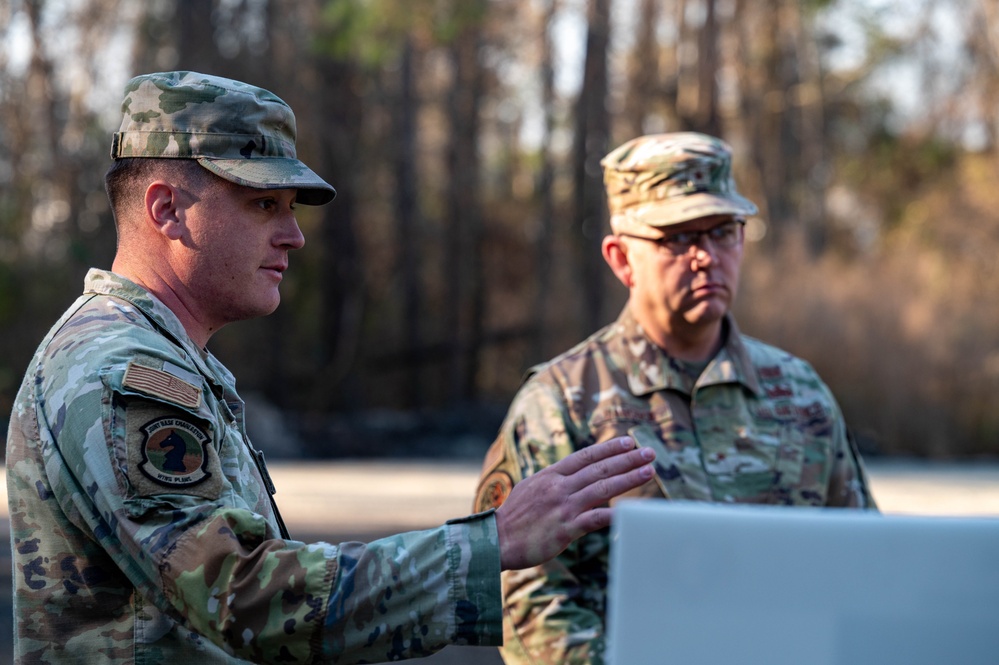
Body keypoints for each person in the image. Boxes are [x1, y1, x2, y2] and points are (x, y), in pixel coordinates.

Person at [5, 71, 658, 664]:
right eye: (264, 204)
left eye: (291, 207)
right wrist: (488, 543)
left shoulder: (162, 356)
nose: (295, 235)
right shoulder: (119, 374)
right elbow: (246, 599)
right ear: (166, 209)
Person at [474, 132, 878, 665]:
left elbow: (864, 561)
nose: (707, 258)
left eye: (724, 232)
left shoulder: (801, 394)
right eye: (676, 239)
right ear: (622, 259)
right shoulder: (562, 402)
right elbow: (525, 600)